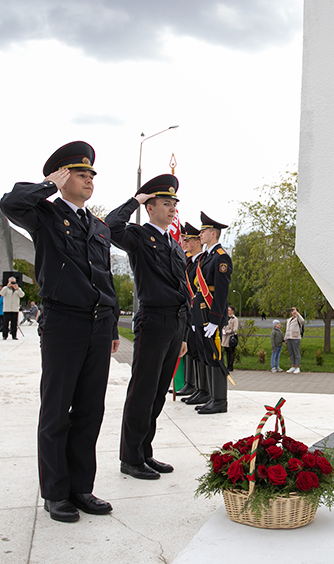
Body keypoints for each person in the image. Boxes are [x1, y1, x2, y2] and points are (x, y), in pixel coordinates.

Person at [0, 140, 120, 523]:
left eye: (90, 176)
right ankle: (55, 493)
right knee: (57, 410)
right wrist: (49, 184)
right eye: (81, 174)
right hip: (63, 322)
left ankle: (81, 488)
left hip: (98, 325)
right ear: (64, 176)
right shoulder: (45, 215)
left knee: (90, 409)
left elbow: (106, 279)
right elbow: (10, 203)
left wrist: (113, 325)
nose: (89, 181)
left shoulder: (98, 227)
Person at [106, 174, 190, 480]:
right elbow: (110, 226)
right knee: (142, 391)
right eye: (165, 203)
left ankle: (145, 452)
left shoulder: (174, 243)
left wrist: (185, 333)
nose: (171, 209)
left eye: (173, 204)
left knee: (157, 393)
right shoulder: (139, 236)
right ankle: (130, 458)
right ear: (150, 207)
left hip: (175, 323)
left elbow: (184, 286)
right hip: (153, 319)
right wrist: (134, 200)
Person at [191, 212, 232, 414]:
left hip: (211, 314)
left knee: (215, 355)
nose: (201, 234)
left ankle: (220, 401)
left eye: (204, 231)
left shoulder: (221, 258)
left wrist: (216, 320)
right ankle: (211, 397)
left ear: (213, 234)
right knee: (206, 354)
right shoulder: (207, 257)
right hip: (201, 312)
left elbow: (222, 292)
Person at [176, 223, 204, 399]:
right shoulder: (190, 262)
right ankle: (191, 384)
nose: (184, 243)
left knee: (202, 353)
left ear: (196, 241)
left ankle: (202, 389)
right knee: (192, 350)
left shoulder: (204, 261)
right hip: (190, 312)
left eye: (187, 240)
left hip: (202, 314)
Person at [285, 306, 305, 374]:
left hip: (296, 337)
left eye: (294, 311)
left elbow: (302, 321)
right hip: (289, 337)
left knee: (296, 353)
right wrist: (285, 338)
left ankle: (298, 367)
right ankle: (292, 366)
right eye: (292, 311)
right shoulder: (289, 320)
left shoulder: (298, 319)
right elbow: (287, 330)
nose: (293, 312)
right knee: (291, 353)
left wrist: (297, 314)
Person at [222, 305, 239, 371]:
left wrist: (228, 332)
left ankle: (231, 365)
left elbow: (235, 329)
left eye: (229, 310)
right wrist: (223, 330)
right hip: (225, 337)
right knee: (227, 351)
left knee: (231, 351)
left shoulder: (235, 319)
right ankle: (228, 365)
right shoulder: (225, 317)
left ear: (232, 311)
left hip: (231, 337)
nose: (228, 311)